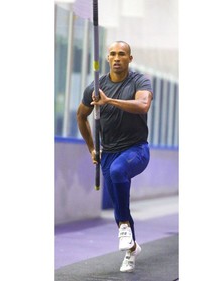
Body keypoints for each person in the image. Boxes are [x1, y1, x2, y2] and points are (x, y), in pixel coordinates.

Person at [76, 41, 153, 272]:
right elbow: (81, 116)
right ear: (107, 58)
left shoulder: (140, 81)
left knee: (119, 171)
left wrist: (109, 101)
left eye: (122, 54)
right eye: (112, 54)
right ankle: (131, 249)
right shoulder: (94, 88)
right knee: (121, 205)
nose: (117, 57)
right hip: (108, 153)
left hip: (136, 150)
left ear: (130, 58)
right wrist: (92, 148)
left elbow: (143, 105)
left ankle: (123, 228)